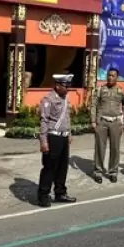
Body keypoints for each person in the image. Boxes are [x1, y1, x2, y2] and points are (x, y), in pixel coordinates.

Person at [37, 74, 78, 208]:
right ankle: (43, 195)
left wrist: (69, 133)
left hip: (64, 137)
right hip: (52, 137)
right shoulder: (48, 99)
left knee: (62, 167)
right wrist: (43, 141)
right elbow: (44, 121)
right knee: (50, 167)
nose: (68, 89)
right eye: (66, 86)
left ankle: (60, 193)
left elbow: (67, 118)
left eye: (69, 86)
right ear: (58, 85)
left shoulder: (65, 98)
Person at [90, 67, 124, 184]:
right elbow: (93, 105)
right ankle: (98, 171)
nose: (110, 77)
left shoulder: (122, 91)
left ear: (117, 77)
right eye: (108, 75)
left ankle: (113, 172)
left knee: (115, 148)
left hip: (116, 122)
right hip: (102, 121)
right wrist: (93, 120)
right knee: (100, 148)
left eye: (113, 75)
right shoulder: (100, 90)